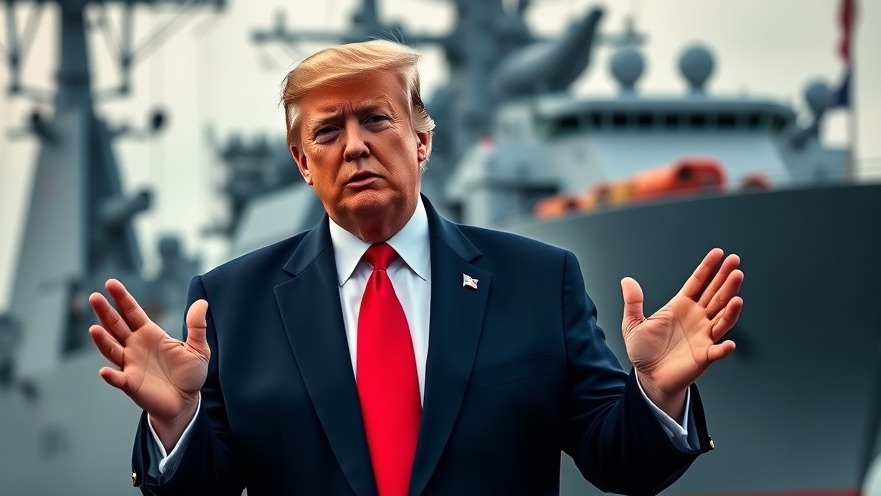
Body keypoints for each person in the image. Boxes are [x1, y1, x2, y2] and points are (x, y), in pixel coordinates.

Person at [88, 39, 743, 496]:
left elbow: (617, 461)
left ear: (422, 139)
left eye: (376, 119)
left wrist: (655, 396)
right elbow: (208, 486)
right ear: (300, 161)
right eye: (326, 131)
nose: (354, 146)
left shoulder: (539, 281)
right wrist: (177, 425)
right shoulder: (231, 300)